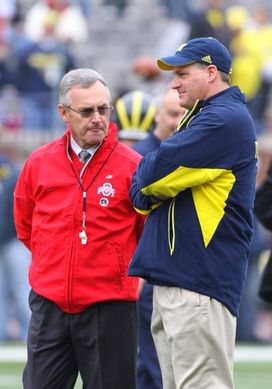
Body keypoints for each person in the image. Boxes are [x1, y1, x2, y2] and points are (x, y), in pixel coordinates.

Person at [128, 37, 258, 389]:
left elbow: (152, 175)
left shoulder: (223, 120)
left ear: (211, 72)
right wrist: (146, 183)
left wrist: (144, 185)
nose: (174, 82)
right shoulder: (207, 116)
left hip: (198, 284)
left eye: (182, 73)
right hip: (180, 281)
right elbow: (153, 174)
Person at [13, 68, 145, 389]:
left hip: (110, 306)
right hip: (50, 305)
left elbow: (144, 230)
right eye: (86, 111)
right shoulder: (39, 163)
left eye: (103, 109)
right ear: (64, 113)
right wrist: (56, 265)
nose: (97, 118)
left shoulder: (133, 165)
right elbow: (26, 226)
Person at [133, 87, 186, 389]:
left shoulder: (188, 150)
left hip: (175, 270)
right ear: (156, 115)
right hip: (148, 274)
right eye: (172, 113)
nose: (178, 121)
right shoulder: (142, 154)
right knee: (151, 362)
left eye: (183, 114)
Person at [0, 150, 31, 341]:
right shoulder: (12, 173)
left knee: (22, 291)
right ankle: (3, 335)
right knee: (3, 291)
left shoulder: (14, 173)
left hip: (13, 241)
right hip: (8, 240)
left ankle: (31, 334)